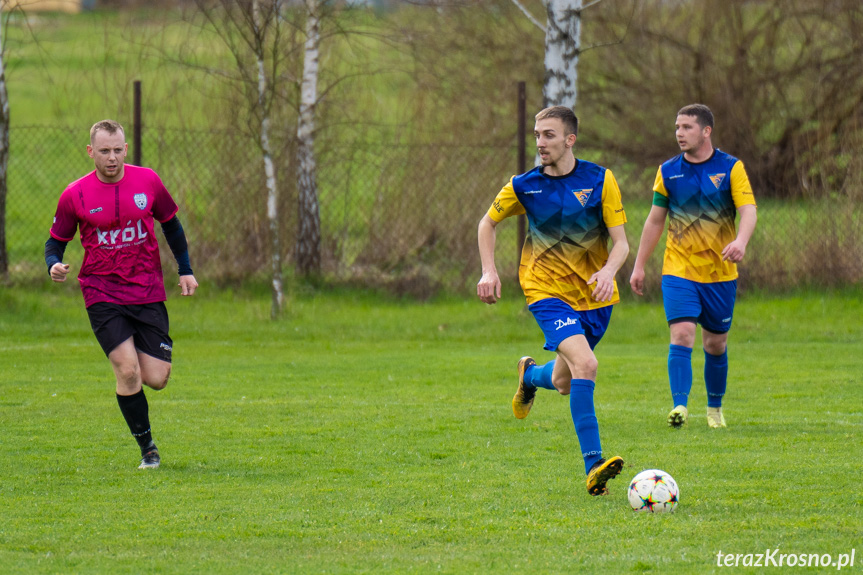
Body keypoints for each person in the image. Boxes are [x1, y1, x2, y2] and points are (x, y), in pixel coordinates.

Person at [477, 106, 629, 496]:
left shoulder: (600, 180)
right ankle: (594, 466)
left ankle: (529, 376)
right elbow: (487, 223)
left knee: (564, 381)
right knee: (587, 364)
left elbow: (621, 243)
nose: (540, 142)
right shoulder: (524, 185)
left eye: (548, 135)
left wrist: (609, 271)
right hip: (546, 292)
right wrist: (489, 271)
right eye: (537, 135)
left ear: (569, 139)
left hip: (595, 296)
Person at [44, 119, 198, 469]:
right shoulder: (75, 194)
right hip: (101, 291)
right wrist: (54, 263)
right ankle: (148, 451)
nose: (111, 158)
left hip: (146, 289)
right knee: (128, 372)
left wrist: (185, 270)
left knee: (156, 378)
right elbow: (55, 240)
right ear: (91, 152)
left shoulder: (148, 181)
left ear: (126, 149)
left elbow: (171, 224)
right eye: (104, 151)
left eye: (117, 150)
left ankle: (144, 429)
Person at [629, 104, 757, 429]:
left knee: (715, 343)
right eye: (677, 127)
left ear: (706, 131)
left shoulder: (731, 168)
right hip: (678, 270)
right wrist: (639, 265)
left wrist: (740, 242)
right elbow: (655, 221)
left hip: (720, 274)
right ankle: (680, 406)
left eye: (686, 127)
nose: (679, 133)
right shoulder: (668, 171)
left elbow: (749, 210)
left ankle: (714, 409)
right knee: (682, 333)